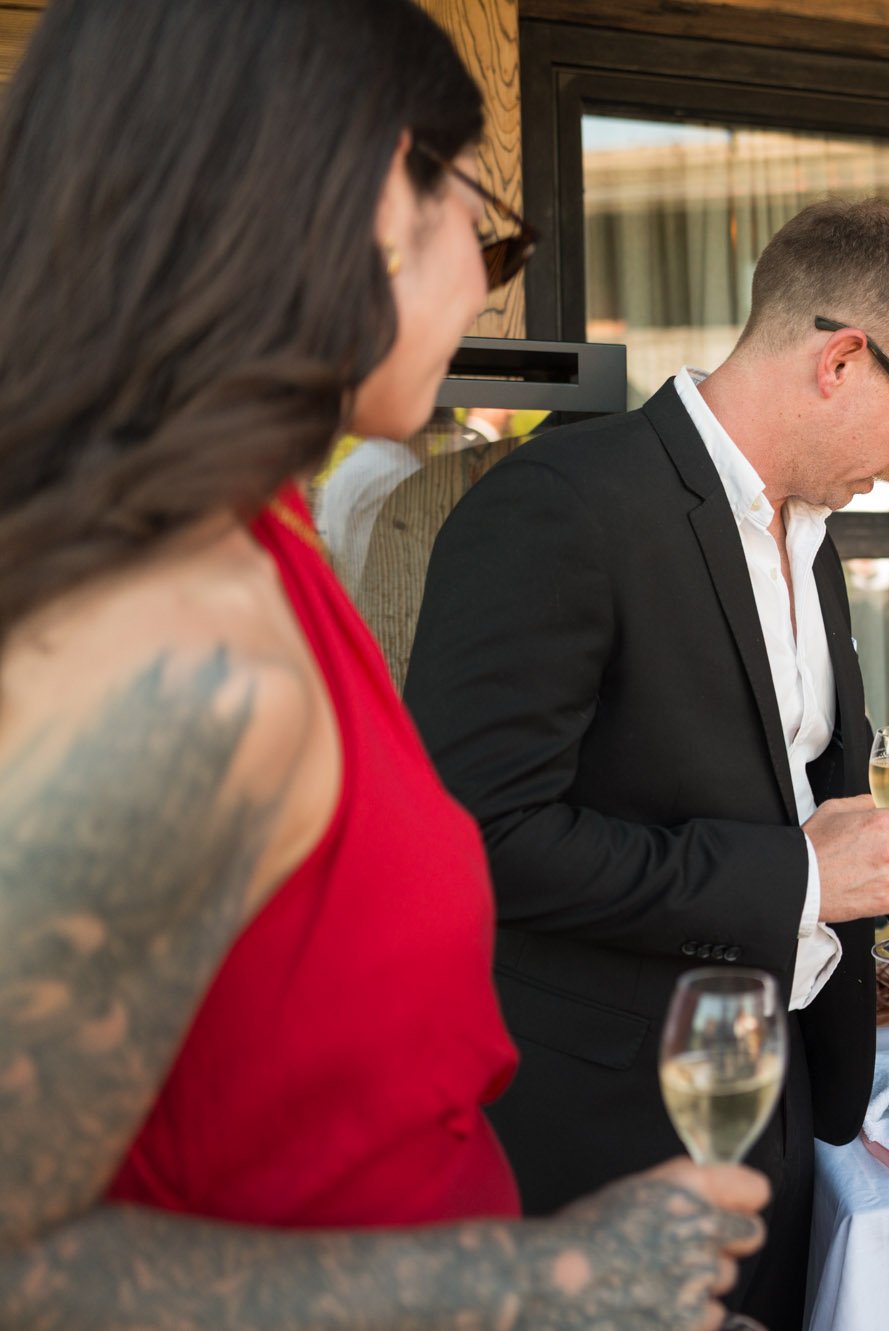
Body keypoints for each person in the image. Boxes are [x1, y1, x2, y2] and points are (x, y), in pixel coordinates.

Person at [0, 3, 762, 1327]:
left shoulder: (262, 542)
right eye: (485, 223)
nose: (487, 283)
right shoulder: (174, 649)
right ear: (361, 193)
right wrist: (543, 1276)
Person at [402, 197, 889, 1331]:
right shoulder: (558, 506)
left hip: (783, 1087)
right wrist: (792, 882)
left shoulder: (809, 533)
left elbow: (836, 800)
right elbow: (475, 838)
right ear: (840, 359)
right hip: (608, 1119)